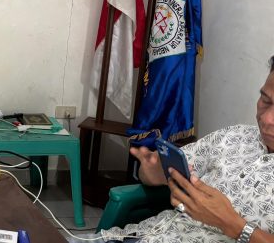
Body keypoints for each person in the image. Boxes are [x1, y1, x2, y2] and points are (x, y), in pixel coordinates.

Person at [90, 56, 274, 243]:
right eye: (266, 101)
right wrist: (154, 171)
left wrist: (233, 224)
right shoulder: (235, 135)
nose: (267, 119)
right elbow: (154, 175)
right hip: (140, 236)